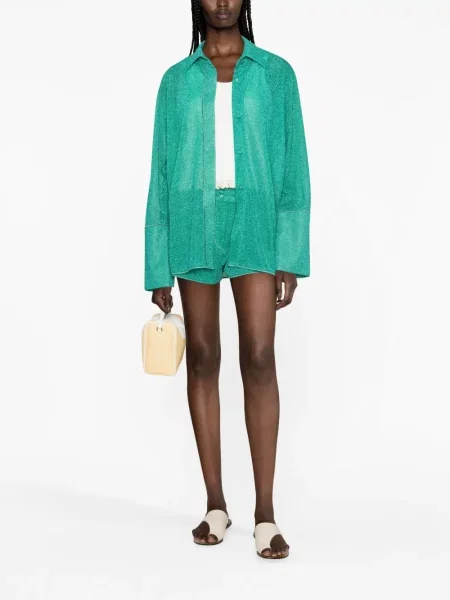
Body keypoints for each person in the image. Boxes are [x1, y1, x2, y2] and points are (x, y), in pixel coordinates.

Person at [144, 0, 310, 559]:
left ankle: (265, 513)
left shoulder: (276, 74)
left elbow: (294, 165)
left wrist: (290, 251)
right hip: (193, 222)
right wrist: (157, 261)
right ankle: (216, 503)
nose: (221, 2)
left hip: (256, 223)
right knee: (203, 355)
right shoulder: (176, 82)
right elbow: (160, 170)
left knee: (259, 355)